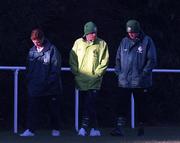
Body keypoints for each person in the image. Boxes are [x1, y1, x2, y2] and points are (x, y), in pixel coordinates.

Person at [111, 19, 157, 136]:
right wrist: (119, 73)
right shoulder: (124, 41)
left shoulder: (147, 41)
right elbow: (118, 59)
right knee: (121, 105)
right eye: (129, 32)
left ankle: (141, 127)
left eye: (133, 32)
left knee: (141, 106)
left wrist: (143, 75)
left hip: (140, 82)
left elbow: (152, 60)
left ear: (138, 31)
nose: (131, 34)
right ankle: (119, 128)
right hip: (124, 81)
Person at [20, 28, 62, 137]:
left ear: (42, 38)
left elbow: (55, 69)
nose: (36, 44)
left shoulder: (52, 50)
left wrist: (47, 83)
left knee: (53, 111)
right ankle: (30, 130)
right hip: (34, 87)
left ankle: (56, 129)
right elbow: (28, 69)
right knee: (32, 110)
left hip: (50, 88)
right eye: (34, 42)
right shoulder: (31, 51)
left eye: (38, 41)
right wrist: (29, 81)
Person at [69, 21, 109, 136]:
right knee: (88, 105)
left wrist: (97, 74)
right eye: (92, 33)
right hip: (81, 80)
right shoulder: (78, 43)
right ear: (86, 33)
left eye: (95, 33)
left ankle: (83, 128)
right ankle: (95, 129)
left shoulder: (102, 44)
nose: (94, 35)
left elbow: (104, 61)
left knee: (89, 103)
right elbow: (72, 58)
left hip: (94, 80)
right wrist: (76, 72)